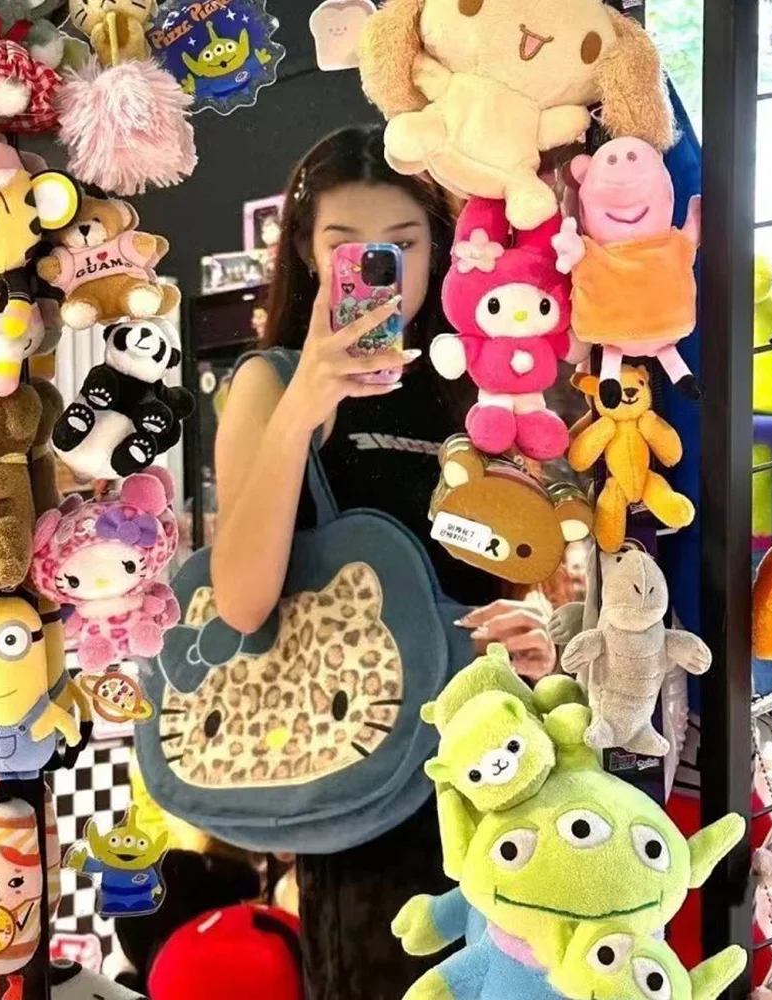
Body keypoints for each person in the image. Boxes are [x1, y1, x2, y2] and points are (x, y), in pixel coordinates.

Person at [212, 125, 558, 1000]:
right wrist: (306, 403)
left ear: (440, 250)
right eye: (349, 246)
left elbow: (509, 566)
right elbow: (241, 602)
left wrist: (534, 624)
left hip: (495, 758)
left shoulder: (476, 386)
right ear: (307, 251)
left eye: (404, 245)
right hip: (360, 778)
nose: (381, 270)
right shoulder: (269, 383)